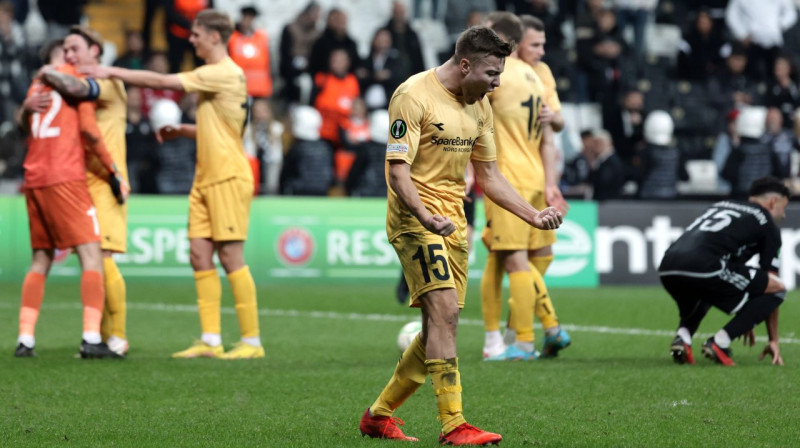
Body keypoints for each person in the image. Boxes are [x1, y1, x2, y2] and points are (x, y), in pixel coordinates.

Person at [358, 26, 562, 445]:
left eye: (499, 73)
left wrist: (533, 215)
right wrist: (424, 216)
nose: (497, 82)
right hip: (415, 219)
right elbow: (398, 172)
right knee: (446, 313)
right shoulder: (412, 95)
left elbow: (489, 176)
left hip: (452, 221)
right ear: (465, 64)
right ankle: (454, 424)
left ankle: (378, 415)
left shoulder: (479, 105)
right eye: (491, 73)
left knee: (439, 323)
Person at [82, 9, 264, 360]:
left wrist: (111, 70)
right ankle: (211, 340)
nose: (191, 39)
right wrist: (185, 130)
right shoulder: (217, 78)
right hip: (205, 176)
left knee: (229, 255)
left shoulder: (222, 72)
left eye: (196, 34)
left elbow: (163, 82)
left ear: (214, 36)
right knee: (199, 254)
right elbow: (228, 130)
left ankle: (251, 342)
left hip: (227, 176)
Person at [15, 43, 127, 359]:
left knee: (41, 259)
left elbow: (25, 125)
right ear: (61, 57)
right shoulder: (72, 81)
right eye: (68, 51)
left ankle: (26, 339)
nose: (72, 56)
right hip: (65, 177)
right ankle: (92, 337)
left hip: (34, 178)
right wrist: (113, 170)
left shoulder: (37, 84)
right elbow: (90, 132)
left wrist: (24, 109)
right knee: (92, 254)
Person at [478, 12, 557, 362]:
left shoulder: (499, 75)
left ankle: (522, 341)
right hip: (535, 173)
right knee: (507, 257)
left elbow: (469, 117)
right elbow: (553, 131)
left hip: (506, 177)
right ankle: (511, 334)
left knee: (513, 261)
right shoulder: (534, 77)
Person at [659, 176, 789, 366]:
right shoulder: (767, 224)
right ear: (772, 202)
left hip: (668, 267)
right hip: (704, 267)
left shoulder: (721, 205)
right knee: (779, 288)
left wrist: (748, 316)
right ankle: (720, 342)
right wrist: (772, 339)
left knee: (706, 287)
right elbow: (771, 283)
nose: (784, 215)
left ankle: (683, 338)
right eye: (783, 208)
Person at [228, 5, 273, 99]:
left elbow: (268, 62)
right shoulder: (232, 37)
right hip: (237, 87)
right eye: (246, 17)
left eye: (251, 18)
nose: (248, 21)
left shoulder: (261, 37)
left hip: (260, 88)